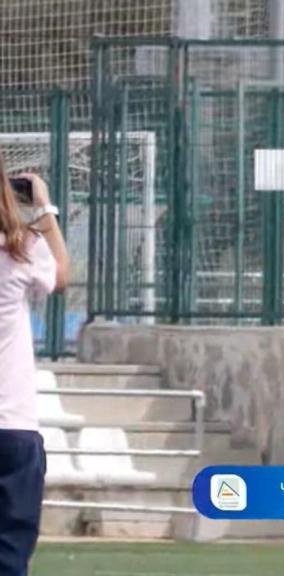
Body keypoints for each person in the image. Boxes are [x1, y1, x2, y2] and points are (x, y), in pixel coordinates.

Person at [0, 170, 69, 576]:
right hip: (13, 426)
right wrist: (43, 207)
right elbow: (61, 275)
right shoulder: (22, 250)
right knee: (10, 555)